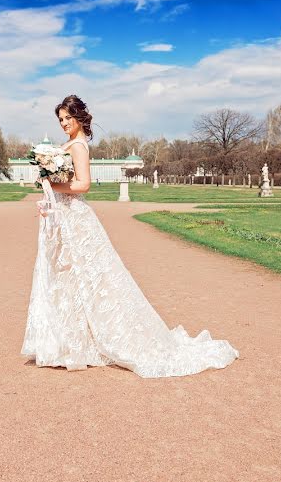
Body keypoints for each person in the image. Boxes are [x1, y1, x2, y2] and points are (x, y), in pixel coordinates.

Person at [21, 95, 240, 378]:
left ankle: (81, 343)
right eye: (60, 119)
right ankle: (73, 341)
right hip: (62, 215)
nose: (64, 124)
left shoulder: (78, 146)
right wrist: (50, 192)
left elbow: (83, 184)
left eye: (68, 118)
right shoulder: (67, 145)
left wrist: (52, 184)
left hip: (74, 217)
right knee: (70, 276)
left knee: (89, 276)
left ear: (79, 118)